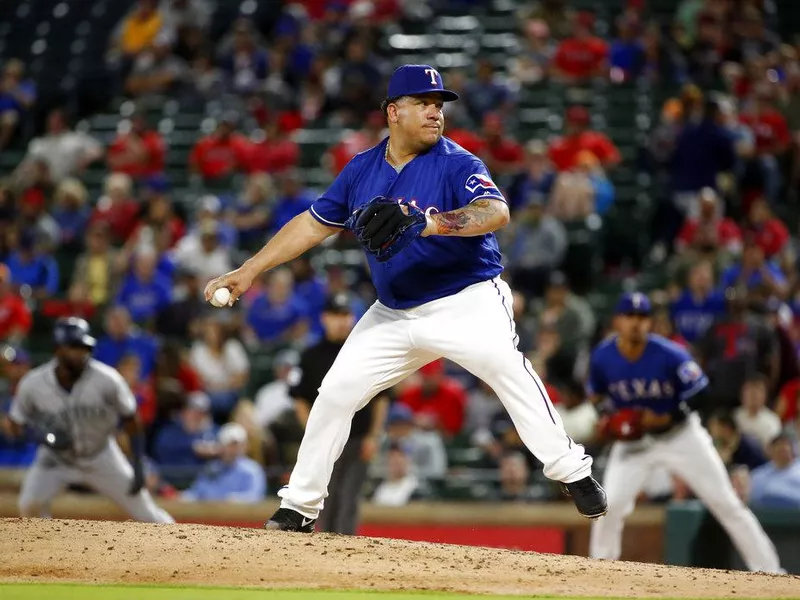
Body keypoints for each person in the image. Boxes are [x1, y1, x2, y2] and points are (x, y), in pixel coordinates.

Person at [206, 64, 605, 532]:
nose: (436, 113)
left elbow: (496, 211)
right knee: (335, 393)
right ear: (393, 112)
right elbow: (313, 224)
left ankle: (571, 471)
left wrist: (431, 222)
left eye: (440, 106)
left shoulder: (458, 162)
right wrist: (249, 270)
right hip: (393, 312)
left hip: (466, 300)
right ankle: (298, 506)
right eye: (424, 104)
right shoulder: (360, 171)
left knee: (504, 365)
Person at [587, 293, 781, 573]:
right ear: (618, 320)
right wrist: (609, 418)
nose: (636, 323)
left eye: (642, 317)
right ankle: (599, 573)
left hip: (681, 437)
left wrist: (669, 415)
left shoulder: (670, 354)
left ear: (650, 322)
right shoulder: (603, 356)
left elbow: (702, 393)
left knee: (726, 503)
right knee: (609, 506)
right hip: (636, 443)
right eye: (630, 316)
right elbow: (596, 396)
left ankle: (771, 571)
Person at [2, 318, 173, 523]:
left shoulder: (107, 379)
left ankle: (182, 546)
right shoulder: (33, 384)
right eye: (74, 347)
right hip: (54, 459)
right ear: (58, 349)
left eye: (84, 347)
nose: (81, 353)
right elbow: (15, 425)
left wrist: (137, 464)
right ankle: (44, 549)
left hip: (101, 455)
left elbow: (131, 419)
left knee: (147, 513)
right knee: (29, 505)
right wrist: (42, 435)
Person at [290, 292, 389, 535]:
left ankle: (344, 546)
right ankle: (326, 545)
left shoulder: (366, 350)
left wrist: (374, 436)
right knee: (326, 495)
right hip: (328, 439)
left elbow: (382, 399)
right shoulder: (310, 355)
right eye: (336, 315)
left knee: (349, 495)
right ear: (324, 318)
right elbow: (300, 400)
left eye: (346, 315)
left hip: (358, 438)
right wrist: (314, 434)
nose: (342, 321)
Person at [181, 423, 266, 503]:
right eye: (229, 445)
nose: (233, 449)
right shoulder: (211, 468)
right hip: (211, 516)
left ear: (244, 446)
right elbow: (196, 492)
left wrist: (233, 500)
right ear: (221, 445)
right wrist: (181, 496)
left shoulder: (253, 470)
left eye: (237, 445)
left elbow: (256, 496)